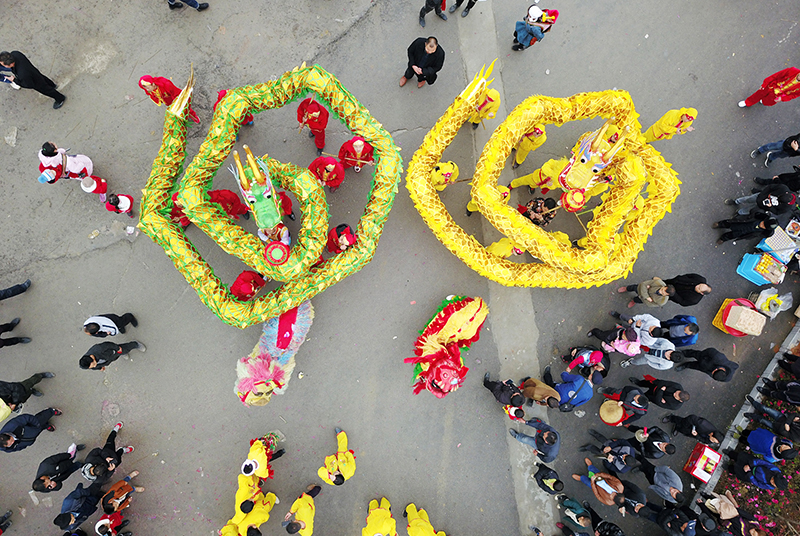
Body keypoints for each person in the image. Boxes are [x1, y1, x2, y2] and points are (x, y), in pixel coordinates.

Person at [0, 50, 65, 108]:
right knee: (43, 78)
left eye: (3, 65)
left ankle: (60, 98)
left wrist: (14, 80)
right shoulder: (16, 53)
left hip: (34, 81)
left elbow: (28, 85)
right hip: (34, 72)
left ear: (11, 64)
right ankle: (52, 85)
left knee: (46, 90)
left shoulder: (22, 74)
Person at [725, 183, 797, 216]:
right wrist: (762, 194)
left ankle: (739, 212)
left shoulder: (786, 208)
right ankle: (736, 201)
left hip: (763, 207)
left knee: (750, 210)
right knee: (748, 199)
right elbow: (770, 187)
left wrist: (770, 207)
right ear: (786, 192)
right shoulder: (783, 188)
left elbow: (777, 212)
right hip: (760, 197)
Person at [79, 341, 146, 371]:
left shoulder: (98, 349)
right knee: (116, 357)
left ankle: (135, 344)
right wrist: (100, 368)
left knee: (125, 348)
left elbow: (108, 345)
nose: (94, 366)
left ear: (91, 358)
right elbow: (93, 368)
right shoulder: (89, 364)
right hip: (109, 358)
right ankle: (122, 353)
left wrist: (117, 348)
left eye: (93, 364)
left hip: (113, 351)